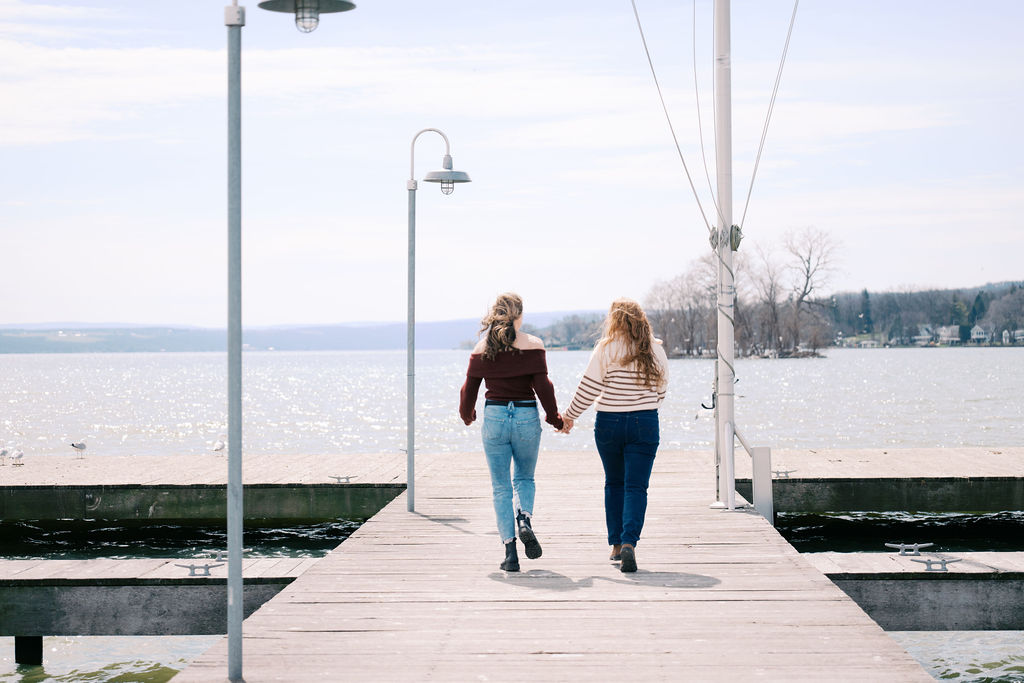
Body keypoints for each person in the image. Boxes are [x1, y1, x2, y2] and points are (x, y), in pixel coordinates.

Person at [560, 298, 668, 573]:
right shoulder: (654, 349)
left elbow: (589, 387)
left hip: (609, 422)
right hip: (645, 420)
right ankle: (630, 542)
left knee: (614, 482)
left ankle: (617, 546)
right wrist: (644, 404)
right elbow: (662, 389)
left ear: (614, 321)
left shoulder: (605, 348)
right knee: (636, 486)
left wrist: (569, 416)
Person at [459, 293, 564, 572]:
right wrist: (555, 419)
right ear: (520, 315)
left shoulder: (482, 347)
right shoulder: (533, 345)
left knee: (501, 487)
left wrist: (467, 415)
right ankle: (525, 520)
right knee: (525, 478)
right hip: (526, 416)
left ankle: (510, 554)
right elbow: (544, 388)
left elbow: (469, 389)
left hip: (494, 416)